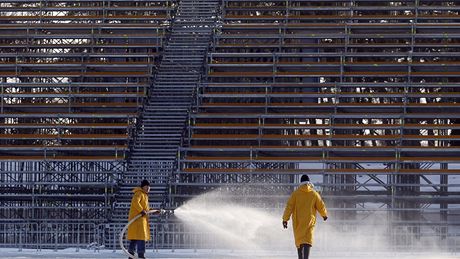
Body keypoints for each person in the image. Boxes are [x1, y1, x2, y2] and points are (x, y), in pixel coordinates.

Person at [282, 175, 328, 259]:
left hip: (298, 223)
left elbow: (289, 207)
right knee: (307, 240)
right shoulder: (314, 194)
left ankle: (301, 257)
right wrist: (324, 214)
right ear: (309, 182)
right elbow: (321, 205)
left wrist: (285, 219)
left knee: (299, 242)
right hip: (309, 222)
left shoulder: (295, 194)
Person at [127, 179, 153, 259]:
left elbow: (145, 208)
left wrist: (153, 211)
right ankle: (140, 254)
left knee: (135, 238)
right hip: (138, 220)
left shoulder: (144, 195)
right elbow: (135, 202)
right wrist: (141, 210)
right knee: (141, 238)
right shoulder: (139, 193)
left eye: (149, 187)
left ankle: (131, 254)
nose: (148, 188)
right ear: (143, 186)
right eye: (147, 186)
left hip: (140, 220)